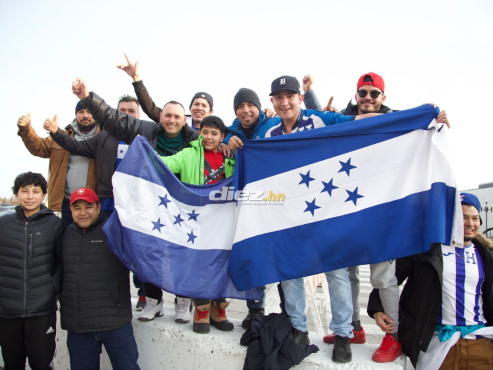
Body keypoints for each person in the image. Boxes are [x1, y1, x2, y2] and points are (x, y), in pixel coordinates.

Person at [308, 72, 450, 363]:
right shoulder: (346, 118)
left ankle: (393, 335)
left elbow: (421, 125)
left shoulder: (395, 119)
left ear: (383, 98)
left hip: (382, 212)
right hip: (346, 210)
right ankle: (352, 327)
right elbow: (317, 119)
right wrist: (310, 93)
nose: (368, 98)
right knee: (345, 271)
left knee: (383, 276)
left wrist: (434, 118)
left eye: (374, 93)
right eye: (363, 93)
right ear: (356, 95)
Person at [262, 75, 382, 363]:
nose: (284, 101)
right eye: (278, 97)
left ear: (300, 98)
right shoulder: (269, 134)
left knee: (336, 273)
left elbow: (357, 121)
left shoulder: (318, 120)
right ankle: (298, 328)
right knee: (290, 273)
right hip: (290, 215)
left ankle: (342, 334)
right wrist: (231, 139)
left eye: (290, 95)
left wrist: (416, 114)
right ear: (273, 102)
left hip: (325, 210)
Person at [71, 77, 202, 324]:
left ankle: (183, 301)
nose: (172, 120)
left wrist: (231, 144)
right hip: (148, 204)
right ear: (160, 117)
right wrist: (87, 98)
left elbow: (220, 142)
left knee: (181, 253)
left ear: (183, 120)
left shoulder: (195, 138)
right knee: (147, 251)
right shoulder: (145, 130)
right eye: (168, 116)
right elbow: (111, 117)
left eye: (177, 116)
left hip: (181, 207)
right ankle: (153, 300)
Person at [43, 95, 147, 311]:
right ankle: (111, 295)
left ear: (138, 115)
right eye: (121, 110)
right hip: (109, 202)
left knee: (139, 249)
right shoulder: (103, 137)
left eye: (131, 111)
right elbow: (75, 146)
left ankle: (145, 294)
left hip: (140, 204)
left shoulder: (147, 135)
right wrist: (56, 132)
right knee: (108, 252)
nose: (126, 115)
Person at [368, 193, 493, 369]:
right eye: (463, 217)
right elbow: (391, 276)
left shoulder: (487, 257)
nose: (470, 223)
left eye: (475, 218)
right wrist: (377, 309)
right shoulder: (427, 249)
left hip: (481, 344)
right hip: (437, 344)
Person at [158, 115, 236, 334]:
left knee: (222, 264)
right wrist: (143, 150)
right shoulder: (188, 154)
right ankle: (200, 309)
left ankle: (217, 309)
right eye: (204, 132)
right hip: (196, 222)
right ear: (199, 133)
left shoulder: (231, 156)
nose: (208, 137)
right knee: (198, 265)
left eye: (214, 133)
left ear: (222, 136)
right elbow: (164, 164)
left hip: (223, 222)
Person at [59, 187, 140, 370]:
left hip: (115, 324)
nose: (83, 213)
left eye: (88, 207)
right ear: (70, 210)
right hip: (79, 328)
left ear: (98, 207)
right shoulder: (64, 235)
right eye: (77, 208)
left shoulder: (116, 232)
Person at [0, 172, 64, 370]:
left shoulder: (55, 224)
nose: (30, 196)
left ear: (43, 195)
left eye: (35, 191)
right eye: (25, 191)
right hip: (7, 310)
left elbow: (61, 263)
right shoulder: (4, 224)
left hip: (41, 310)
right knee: (12, 364)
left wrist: (51, 288)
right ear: (17, 195)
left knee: (42, 364)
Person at [17, 102, 99, 227]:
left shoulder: (104, 137)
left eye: (89, 112)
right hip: (65, 202)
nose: (85, 115)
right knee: (64, 240)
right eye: (81, 112)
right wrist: (26, 129)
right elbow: (39, 147)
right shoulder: (61, 136)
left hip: (94, 201)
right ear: (76, 114)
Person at [117, 53, 213, 130]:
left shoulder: (217, 129)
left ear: (211, 112)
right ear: (189, 108)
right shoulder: (176, 119)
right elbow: (150, 108)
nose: (199, 108)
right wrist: (136, 79)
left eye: (204, 106)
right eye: (196, 104)